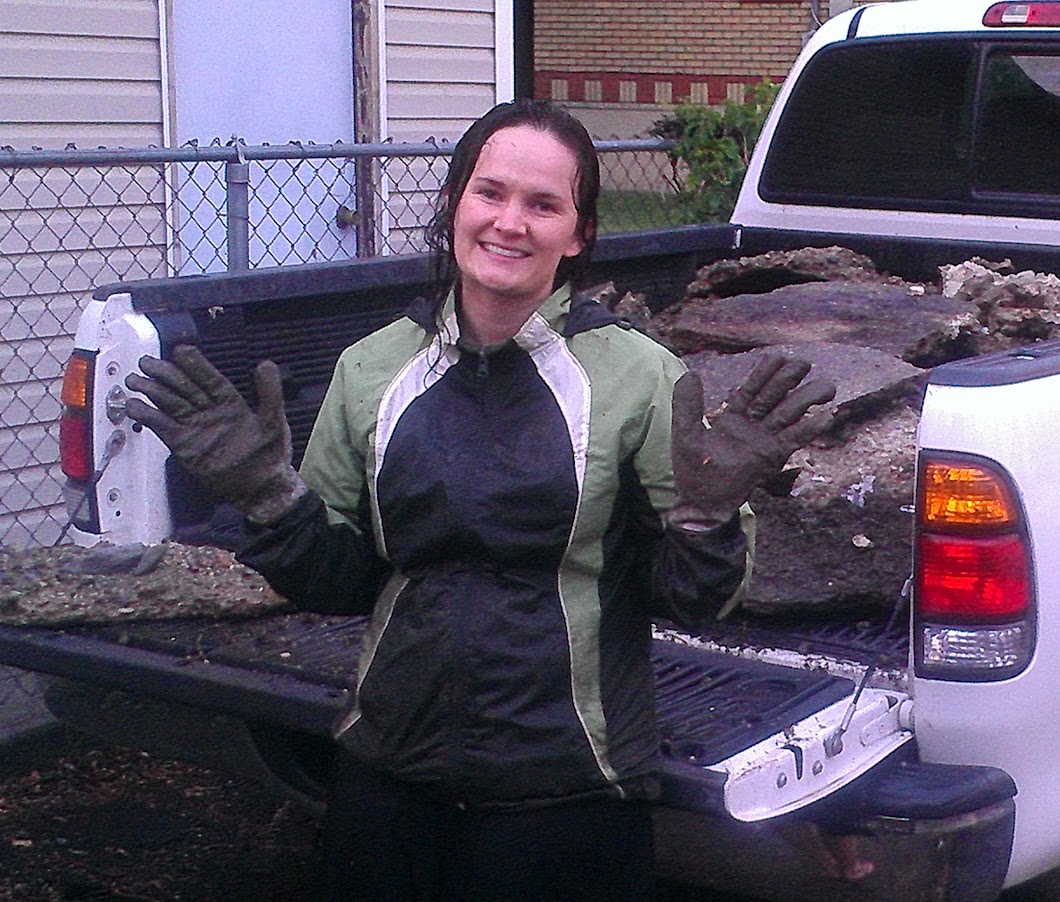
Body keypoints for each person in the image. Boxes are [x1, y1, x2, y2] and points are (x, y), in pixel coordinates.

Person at [124, 99, 835, 901]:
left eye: (543, 204)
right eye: (489, 192)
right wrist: (268, 498)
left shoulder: (637, 377)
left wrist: (705, 522)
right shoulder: (372, 369)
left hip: (569, 793)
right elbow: (339, 581)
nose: (509, 222)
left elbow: (693, 599)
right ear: (454, 204)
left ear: (579, 234)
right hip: (387, 775)